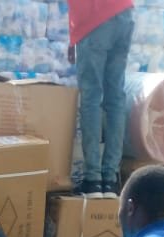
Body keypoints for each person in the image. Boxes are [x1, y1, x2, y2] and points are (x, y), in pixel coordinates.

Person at [68, 0, 135, 198]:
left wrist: (74, 37)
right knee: (115, 98)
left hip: (94, 18)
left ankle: (93, 180)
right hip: (124, 13)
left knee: (91, 97)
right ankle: (110, 180)